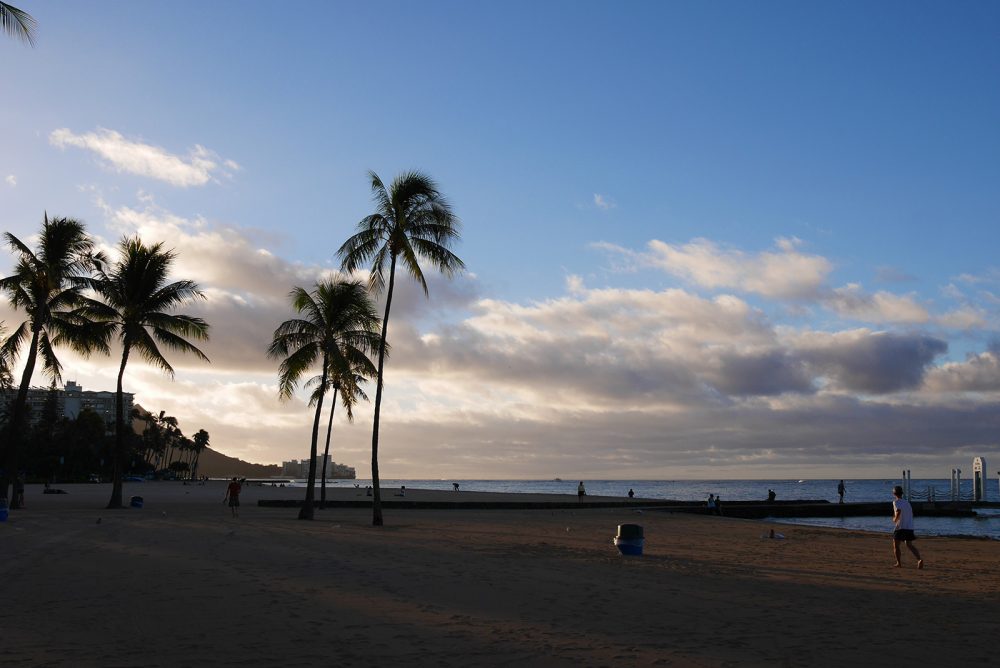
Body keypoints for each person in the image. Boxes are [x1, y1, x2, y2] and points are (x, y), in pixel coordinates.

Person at [891, 485, 923, 569]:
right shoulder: (907, 503)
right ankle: (919, 559)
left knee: (896, 545)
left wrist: (895, 519)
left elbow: (898, 511)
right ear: (901, 493)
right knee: (909, 545)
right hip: (909, 527)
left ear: (894, 494)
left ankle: (899, 563)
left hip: (900, 527)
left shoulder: (896, 502)